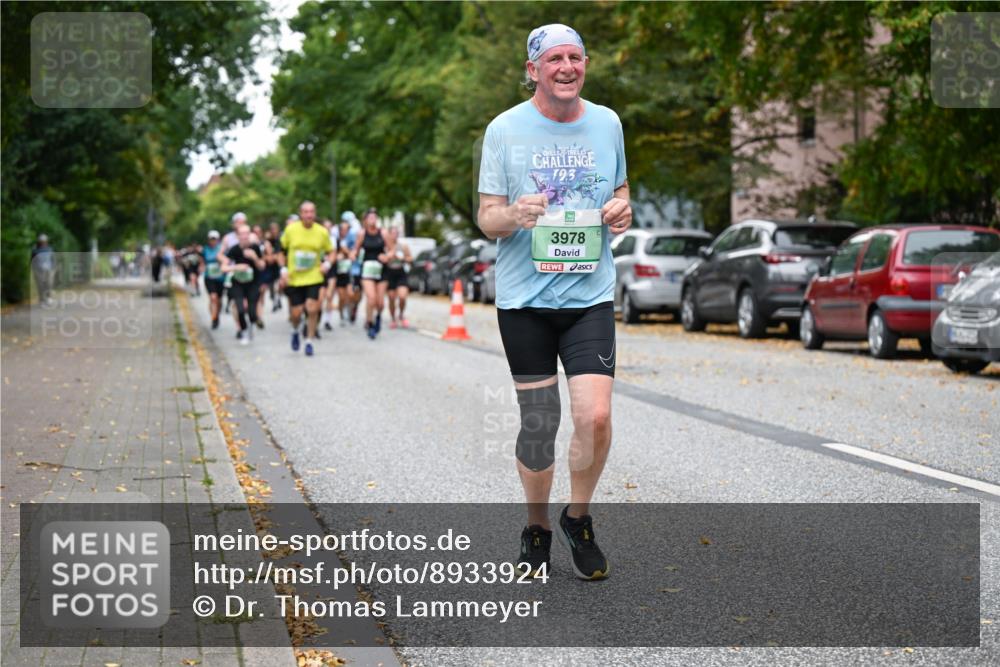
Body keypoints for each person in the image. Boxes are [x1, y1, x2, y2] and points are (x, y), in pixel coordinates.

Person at [477, 24, 631, 581]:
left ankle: (577, 518)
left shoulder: (607, 123)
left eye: (575, 57)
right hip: (525, 302)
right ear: (533, 70)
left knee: (596, 416)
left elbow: (620, 192)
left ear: (585, 63)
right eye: (554, 59)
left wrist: (622, 209)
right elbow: (487, 218)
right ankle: (537, 526)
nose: (567, 67)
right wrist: (513, 215)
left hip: (589, 296)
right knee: (540, 425)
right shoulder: (504, 130)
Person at [279, 201, 334, 357]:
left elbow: (331, 251)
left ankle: (309, 341)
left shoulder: (322, 232)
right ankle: (295, 330)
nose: (309, 215)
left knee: (312, 308)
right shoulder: (291, 230)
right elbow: (280, 251)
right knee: (296, 313)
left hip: (314, 277)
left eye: (311, 212)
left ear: (315, 214)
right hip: (294, 278)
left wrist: (327, 264)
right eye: (305, 212)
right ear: (300, 214)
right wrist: (283, 269)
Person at [220, 224, 265, 345]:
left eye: (247, 233)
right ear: (238, 236)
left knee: (252, 313)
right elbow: (223, 268)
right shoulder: (234, 249)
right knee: (240, 310)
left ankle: (251, 325)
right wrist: (236, 267)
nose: (245, 236)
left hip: (253, 284)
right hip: (238, 283)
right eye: (242, 234)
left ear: (250, 235)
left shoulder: (255, 247)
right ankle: (243, 331)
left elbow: (262, 266)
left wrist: (254, 258)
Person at [350, 208, 390, 339]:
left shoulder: (383, 233)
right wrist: (353, 255)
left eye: (374, 217)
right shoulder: (362, 234)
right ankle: (370, 322)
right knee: (371, 298)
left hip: (381, 270)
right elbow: (355, 249)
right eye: (370, 218)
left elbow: (392, 250)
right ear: (365, 220)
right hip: (367, 270)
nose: (373, 220)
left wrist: (387, 256)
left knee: (380, 303)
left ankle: (378, 316)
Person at [384, 227, 412, 329]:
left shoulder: (403, 246)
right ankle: (393, 319)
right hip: (389, 273)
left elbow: (410, 259)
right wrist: (388, 257)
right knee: (391, 298)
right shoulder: (385, 247)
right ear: (389, 235)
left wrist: (403, 258)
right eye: (392, 233)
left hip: (400, 272)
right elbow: (381, 258)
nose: (394, 235)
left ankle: (401, 315)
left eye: (396, 233)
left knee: (402, 296)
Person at [332, 220, 356, 326]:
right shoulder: (335, 241)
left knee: (350, 294)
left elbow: (353, 254)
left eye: (347, 229)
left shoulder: (351, 241)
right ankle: (341, 314)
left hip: (348, 271)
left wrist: (346, 252)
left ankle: (349, 310)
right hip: (338, 272)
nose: (345, 231)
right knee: (341, 297)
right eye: (343, 229)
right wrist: (337, 256)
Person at [202, 231, 226, 329]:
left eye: (214, 239)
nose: (213, 241)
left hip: (220, 277)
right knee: (213, 297)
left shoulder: (222, 248)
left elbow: (226, 260)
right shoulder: (205, 249)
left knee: (219, 300)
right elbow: (203, 261)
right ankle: (213, 318)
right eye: (211, 239)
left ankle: (217, 315)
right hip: (209, 276)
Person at [31, 233, 56, 305]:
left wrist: (54, 268)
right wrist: (34, 269)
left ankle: (49, 298)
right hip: (38, 270)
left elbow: (53, 259)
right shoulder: (35, 250)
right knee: (40, 285)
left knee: (49, 284)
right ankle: (41, 299)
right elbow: (32, 261)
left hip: (49, 269)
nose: (43, 243)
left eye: (44, 241)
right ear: (39, 242)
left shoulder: (50, 249)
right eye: (41, 241)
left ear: (46, 242)